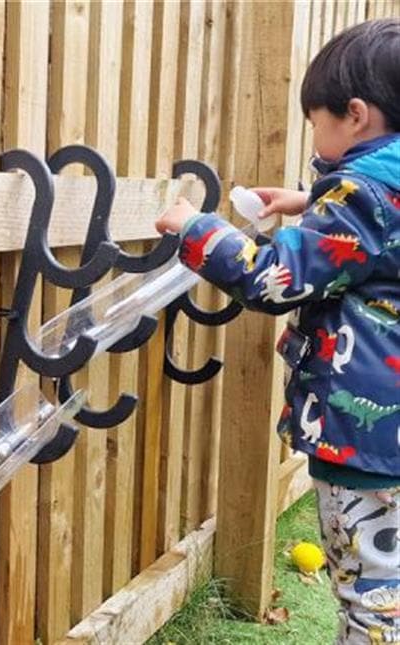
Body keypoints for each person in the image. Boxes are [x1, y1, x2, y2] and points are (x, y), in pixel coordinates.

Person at [155, 19, 400, 645]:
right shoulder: (377, 194)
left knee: (372, 590)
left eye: (315, 121)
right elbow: (375, 246)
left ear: (355, 115)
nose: (313, 135)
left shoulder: (361, 195)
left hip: (368, 444)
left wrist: (197, 228)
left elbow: (273, 279)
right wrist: (309, 200)